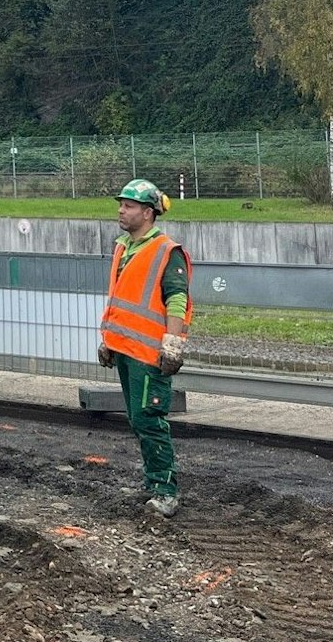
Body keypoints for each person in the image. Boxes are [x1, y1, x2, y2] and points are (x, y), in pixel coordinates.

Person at [97, 178, 192, 517]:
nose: (121, 210)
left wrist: (173, 343)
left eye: (129, 205)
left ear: (148, 213)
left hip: (150, 354)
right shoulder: (124, 247)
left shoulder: (167, 251)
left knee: (149, 420)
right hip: (127, 350)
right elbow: (121, 299)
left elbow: (177, 298)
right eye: (121, 204)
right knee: (139, 420)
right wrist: (109, 340)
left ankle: (166, 492)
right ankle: (154, 484)